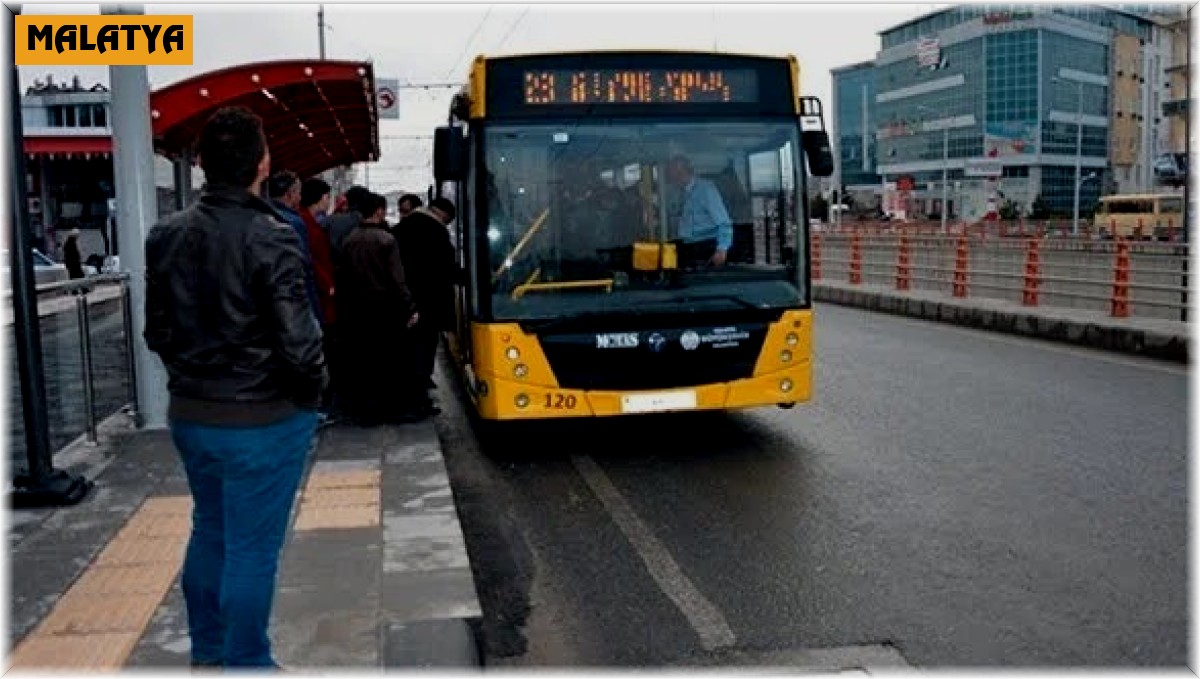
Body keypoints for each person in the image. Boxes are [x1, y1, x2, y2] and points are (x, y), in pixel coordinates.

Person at [143, 106, 326, 669]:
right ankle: (248, 663)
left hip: (192, 414)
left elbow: (157, 332)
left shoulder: (165, 235)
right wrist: (310, 396)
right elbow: (301, 345)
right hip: (263, 419)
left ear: (200, 164)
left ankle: (209, 654)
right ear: (263, 163)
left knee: (211, 531)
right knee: (251, 549)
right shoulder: (273, 235)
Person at [336, 191, 427, 424]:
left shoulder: (349, 240)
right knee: (389, 362)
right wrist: (410, 308)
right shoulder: (386, 240)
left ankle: (367, 411)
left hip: (357, 311)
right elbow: (398, 280)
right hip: (386, 311)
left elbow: (343, 278)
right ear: (378, 211)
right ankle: (390, 409)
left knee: (364, 363)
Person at [393, 197, 457, 395]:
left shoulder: (401, 228)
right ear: (442, 215)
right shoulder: (435, 231)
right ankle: (420, 393)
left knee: (411, 349)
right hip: (430, 301)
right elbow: (445, 268)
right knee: (426, 346)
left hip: (406, 300)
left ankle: (414, 388)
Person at [299, 178, 340, 419]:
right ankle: (323, 403)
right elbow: (309, 259)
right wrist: (328, 284)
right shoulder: (305, 222)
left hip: (322, 293)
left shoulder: (310, 221)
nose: (328, 201)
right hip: (321, 295)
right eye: (326, 197)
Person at [267, 171, 322, 327]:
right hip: (291, 301)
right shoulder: (294, 223)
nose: (300, 198)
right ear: (289, 194)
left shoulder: (261, 216)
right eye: (298, 193)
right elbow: (304, 266)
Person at [666, 154, 733, 267]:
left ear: (682, 173)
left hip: (706, 246)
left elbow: (724, 222)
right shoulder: (680, 192)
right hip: (687, 245)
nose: (671, 180)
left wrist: (722, 249)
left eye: (672, 175)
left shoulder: (706, 190)